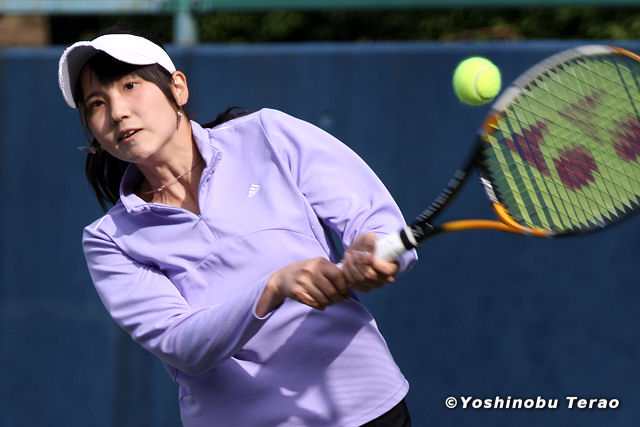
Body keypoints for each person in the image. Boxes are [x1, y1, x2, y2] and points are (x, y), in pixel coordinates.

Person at [58, 32, 417, 426]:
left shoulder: (268, 135)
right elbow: (181, 344)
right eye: (97, 103)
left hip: (367, 406)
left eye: (130, 85)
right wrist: (273, 287)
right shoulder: (109, 240)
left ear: (177, 88)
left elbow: (378, 224)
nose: (117, 111)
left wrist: (375, 253)